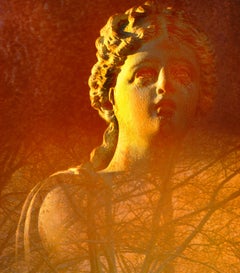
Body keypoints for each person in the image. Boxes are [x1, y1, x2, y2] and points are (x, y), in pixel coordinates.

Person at [16, 0, 216, 259]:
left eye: (183, 75)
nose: (165, 85)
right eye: (145, 74)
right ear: (110, 96)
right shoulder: (71, 198)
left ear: (201, 98)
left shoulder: (215, 207)